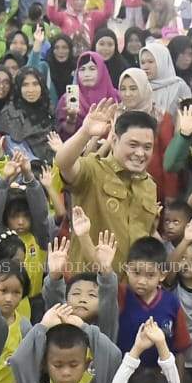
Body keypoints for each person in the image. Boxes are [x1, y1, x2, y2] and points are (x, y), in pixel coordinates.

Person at [56, 105, 160, 272]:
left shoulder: (150, 185)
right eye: (133, 145)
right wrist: (85, 132)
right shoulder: (93, 169)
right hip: (90, 286)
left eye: (147, 147)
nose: (140, 153)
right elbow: (63, 163)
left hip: (131, 288)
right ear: (114, 140)